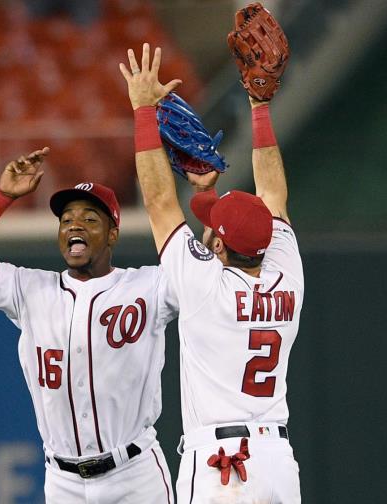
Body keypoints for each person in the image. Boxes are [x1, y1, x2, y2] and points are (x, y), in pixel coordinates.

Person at [0, 153, 177, 502]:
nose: (74, 225)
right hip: (64, 482)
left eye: (90, 219)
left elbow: (208, 283)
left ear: (113, 235)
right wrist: (1, 197)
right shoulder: (29, 289)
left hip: (134, 475)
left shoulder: (150, 286)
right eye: (66, 220)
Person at [120, 42, 303, 502]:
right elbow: (273, 196)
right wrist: (260, 107)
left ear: (219, 243)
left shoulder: (203, 287)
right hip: (277, 461)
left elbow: (161, 203)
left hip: (224, 465)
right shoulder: (287, 270)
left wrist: (144, 111)